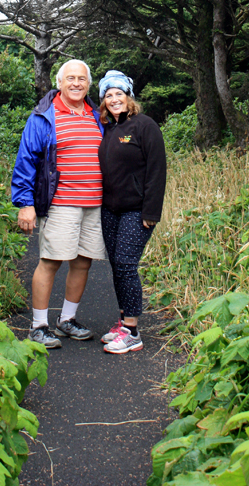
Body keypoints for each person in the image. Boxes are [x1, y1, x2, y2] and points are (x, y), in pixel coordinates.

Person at [12, 59, 106, 348]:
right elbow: (27, 159)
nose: (76, 83)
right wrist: (25, 202)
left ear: (88, 83)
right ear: (60, 82)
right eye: (70, 78)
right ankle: (38, 325)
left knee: (83, 262)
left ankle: (67, 320)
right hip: (61, 202)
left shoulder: (98, 115)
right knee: (51, 261)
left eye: (81, 79)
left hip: (95, 203)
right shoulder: (45, 116)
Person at [97, 70, 167, 354]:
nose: (114, 99)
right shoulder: (109, 129)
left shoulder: (144, 125)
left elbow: (157, 170)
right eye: (108, 95)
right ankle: (123, 320)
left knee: (126, 264)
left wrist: (151, 210)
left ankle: (133, 332)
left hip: (137, 211)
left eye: (119, 93)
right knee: (117, 266)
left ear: (129, 97)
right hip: (110, 210)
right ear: (103, 101)